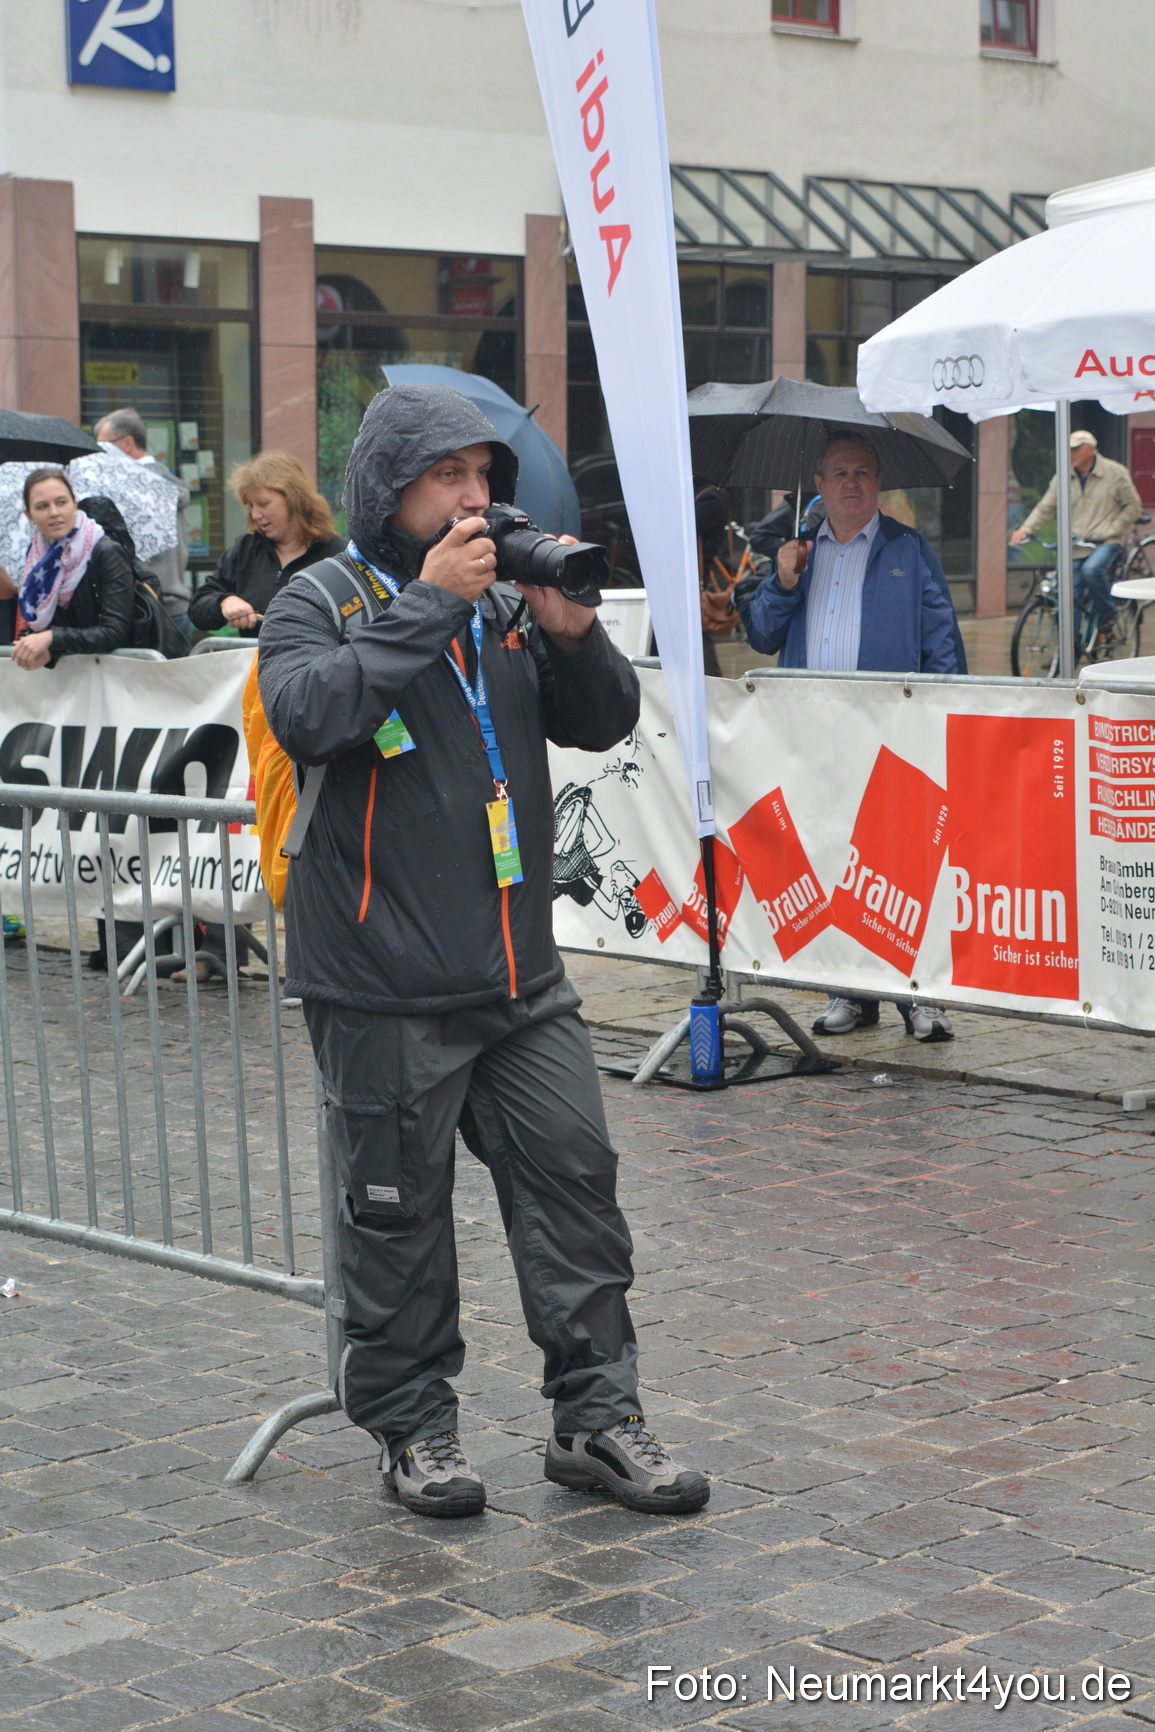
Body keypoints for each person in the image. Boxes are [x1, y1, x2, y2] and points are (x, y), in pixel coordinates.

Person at [257, 384, 709, 1520]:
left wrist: (571, 630)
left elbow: (601, 722)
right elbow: (312, 714)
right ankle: (415, 1432)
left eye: (484, 475)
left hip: (519, 979)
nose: (478, 497)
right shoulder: (314, 598)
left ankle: (597, 1422)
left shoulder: (504, 602)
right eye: (450, 477)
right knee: (395, 1219)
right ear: (387, 489)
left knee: (578, 1195)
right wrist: (427, 607)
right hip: (379, 981)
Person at [740, 433, 963, 1044]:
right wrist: (781, 582)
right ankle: (848, 990)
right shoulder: (798, 553)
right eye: (839, 472)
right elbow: (760, 635)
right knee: (834, 857)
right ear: (818, 483)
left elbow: (942, 643)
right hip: (813, 734)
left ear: (879, 482)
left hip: (893, 732)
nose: (851, 483)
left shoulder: (908, 549)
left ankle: (919, 998)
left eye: (863, 472)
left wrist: (941, 720)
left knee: (903, 865)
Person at [189, 452, 345, 638]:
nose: (255, 515)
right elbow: (198, 607)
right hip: (254, 664)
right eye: (251, 506)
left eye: (263, 503)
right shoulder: (246, 549)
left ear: (295, 498)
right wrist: (224, 601)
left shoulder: (337, 556)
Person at [1010, 430, 1142, 636]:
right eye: (1069, 449)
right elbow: (1046, 507)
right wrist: (1026, 529)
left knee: (1091, 570)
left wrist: (1112, 529)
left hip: (1107, 541)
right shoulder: (1063, 476)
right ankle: (1070, 646)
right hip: (1077, 543)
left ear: (1091, 449)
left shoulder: (1115, 473)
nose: (1071, 453)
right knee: (1069, 591)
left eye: (1076, 449)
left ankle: (1108, 614)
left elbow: (1133, 507)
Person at [1, 469, 133, 670]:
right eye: (42, 506)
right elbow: (56, 625)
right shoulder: (37, 555)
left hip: (120, 678)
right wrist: (46, 652)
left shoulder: (105, 551)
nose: (54, 512)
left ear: (75, 504)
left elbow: (115, 632)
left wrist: (52, 638)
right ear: (30, 515)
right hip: (74, 680)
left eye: (61, 502)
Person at [95, 407, 193, 642]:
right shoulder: (165, 481)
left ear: (127, 443)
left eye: (104, 447)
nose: (100, 455)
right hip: (171, 605)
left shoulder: (138, 487)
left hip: (149, 608)